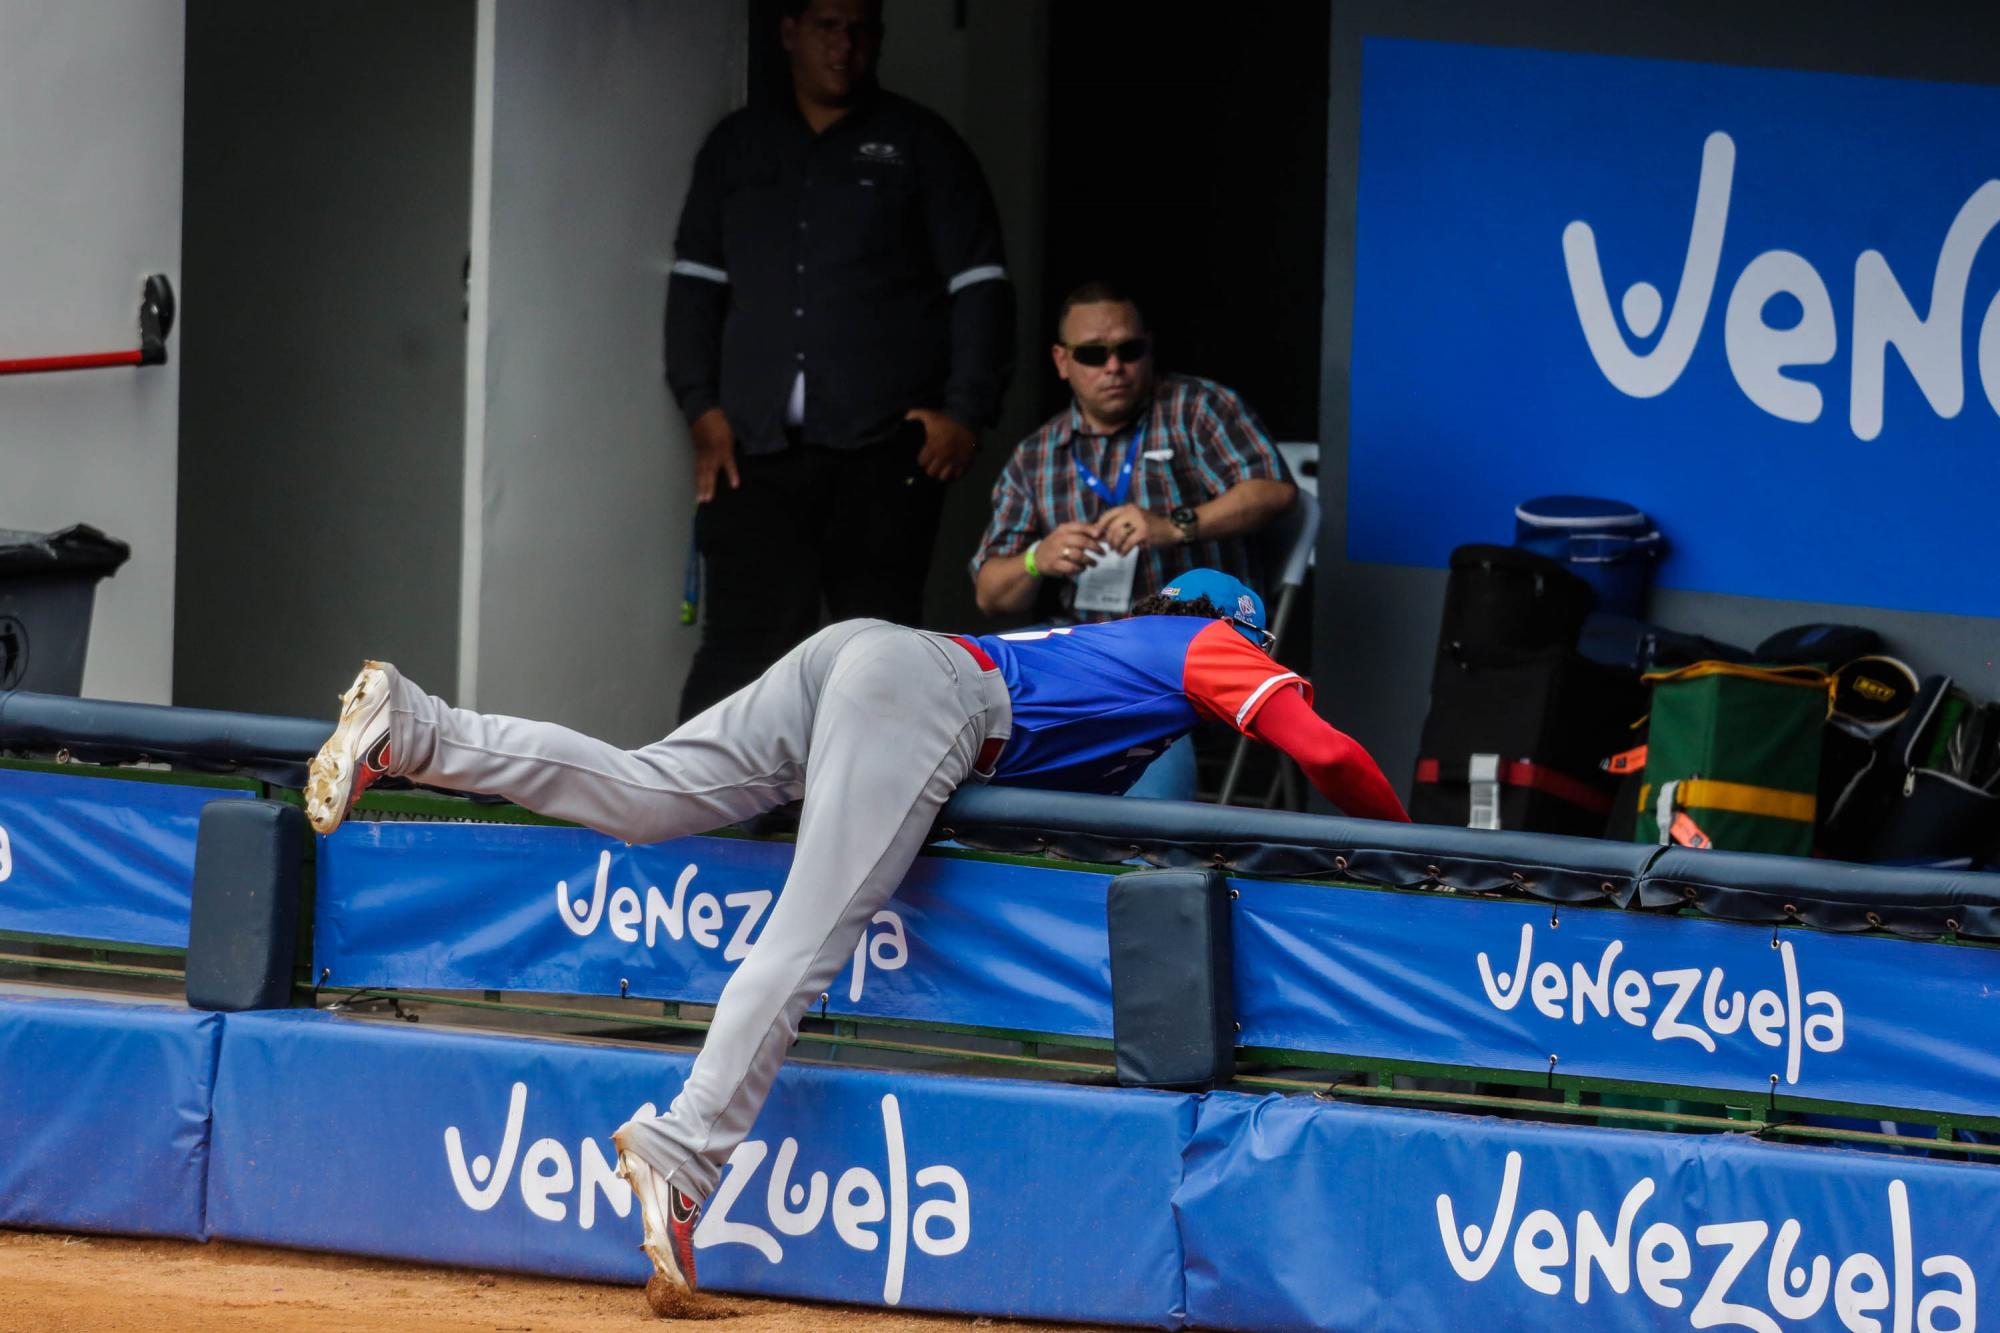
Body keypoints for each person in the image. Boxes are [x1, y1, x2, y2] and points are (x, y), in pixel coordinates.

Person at [300, 568, 1406, 1313]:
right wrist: (1411, 856)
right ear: (1238, 627)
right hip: (927, 695)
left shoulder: (1110, 651)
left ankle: (419, 725)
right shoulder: (1202, 643)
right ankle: (683, 1151)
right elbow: (1325, 750)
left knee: (642, 791)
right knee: (807, 933)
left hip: (866, 659)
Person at [667, 0, 1015, 722]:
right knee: (744, 642)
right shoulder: (738, 146)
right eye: (827, 26)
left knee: (881, 646)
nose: (844, 45)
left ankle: (874, 811)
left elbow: (981, 287)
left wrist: (967, 412)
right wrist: (701, 406)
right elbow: (694, 288)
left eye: (861, 29)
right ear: (790, 32)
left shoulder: (922, 144)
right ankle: (702, 816)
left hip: (885, 449)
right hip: (753, 450)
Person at [971, 282, 1298, 797]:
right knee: (982, 680)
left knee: (1142, 701)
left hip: (1182, 643)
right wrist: (1037, 559)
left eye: (1129, 350)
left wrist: (1176, 524)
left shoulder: (1197, 408)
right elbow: (990, 592)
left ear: (1149, 347)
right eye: (1093, 353)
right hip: (1080, 650)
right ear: (1062, 361)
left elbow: (1275, 493)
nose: (1113, 366)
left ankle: (1143, 860)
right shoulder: (1038, 454)